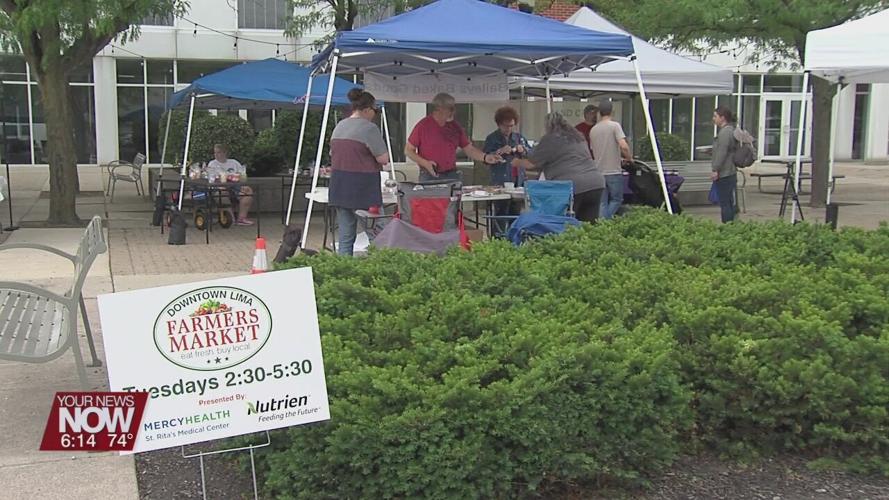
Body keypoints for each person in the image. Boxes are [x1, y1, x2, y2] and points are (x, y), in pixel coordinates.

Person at [328, 88, 390, 256]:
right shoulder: (369, 128)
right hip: (364, 190)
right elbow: (383, 158)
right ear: (367, 109)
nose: (375, 114)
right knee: (378, 235)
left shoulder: (339, 126)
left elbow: (333, 154)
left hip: (340, 188)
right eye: (375, 110)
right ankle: (381, 267)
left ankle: (343, 268)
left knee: (346, 237)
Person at [511, 112, 605, 223]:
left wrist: (516, 162)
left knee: (565, 224)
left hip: (572, 185)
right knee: (589, 225)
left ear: (548, 126)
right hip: (596, 183)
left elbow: (531, 164)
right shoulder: (578, 136)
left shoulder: (550, 139)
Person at [405, 93, 501, 182]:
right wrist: (425, 163)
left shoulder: (455, 126)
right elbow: (408, 150)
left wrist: (485, 157)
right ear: (438, 109)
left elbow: (469, 149)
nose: (453, 111)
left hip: (451, 174)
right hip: (429, 174)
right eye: (450, 108)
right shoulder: (423, 126)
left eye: (454, 108)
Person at [589, 100, 632, 220]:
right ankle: (606, 221)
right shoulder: (615, 126)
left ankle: (602, 223)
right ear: (612, 111)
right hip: (613, 170)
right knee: (617, 199)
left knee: (602, 202)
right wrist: (629, 158)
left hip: (598, 171)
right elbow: (623, 146)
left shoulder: (593, 130)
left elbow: (593, 149)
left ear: (599, 112)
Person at [483, 106, 531, 187]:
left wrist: (523, 150)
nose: (508, 129)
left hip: (519, 179)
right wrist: (499, 151)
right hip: (500, 180)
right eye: (505, 126)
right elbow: (485, 159)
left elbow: (532, 154)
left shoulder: (519, 138)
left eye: (511, 126)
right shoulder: (492, 138)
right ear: (499, 124)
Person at [207, 143, 253, 225]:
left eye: (219, 152)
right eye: (215, 152)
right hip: (219, 186)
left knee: (248, 191)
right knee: (222, 193)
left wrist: (243, 184)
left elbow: (241, 175)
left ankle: (241, 218)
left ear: (225, 153)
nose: (216, 155)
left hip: (235, 186)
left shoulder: (234, 162)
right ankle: (230, 219)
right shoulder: (212, 164)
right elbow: (212, 179)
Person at [711, 106, 738, 223]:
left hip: (725, 172)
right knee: (728, 201)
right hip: (729, 171)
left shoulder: (725, 132)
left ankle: (727, 224)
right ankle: (730, 223)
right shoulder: (731, 130)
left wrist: (715, 169)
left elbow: (722, 151)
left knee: (725, 202)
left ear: (722, 118)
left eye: (715, 116)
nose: (713, 119)